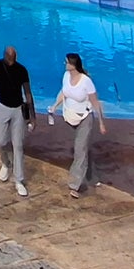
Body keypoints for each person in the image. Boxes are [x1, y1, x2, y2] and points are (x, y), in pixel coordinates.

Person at [48, 52, 108, 198]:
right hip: (70, 116)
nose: (64, 64)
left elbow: (95, 102)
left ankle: (74, 185)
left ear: (73, 65)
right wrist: (55, 106)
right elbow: (64, 92)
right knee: (83, 149)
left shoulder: (86, 81)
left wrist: (101, 123)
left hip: (84, 118)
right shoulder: (66, 76)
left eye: (66, 62)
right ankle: (92, 178)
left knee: (79, 150)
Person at [0, 44, 34, 196]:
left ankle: (19, 180)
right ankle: (6, 163)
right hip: (3, 107)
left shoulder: (22, 70)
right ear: (5, 56)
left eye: (14, 58)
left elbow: (28, 93)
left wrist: (33, 116)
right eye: (9, 58)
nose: (12, 61)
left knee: (18, 145)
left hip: (18, 109)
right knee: (0, 141)